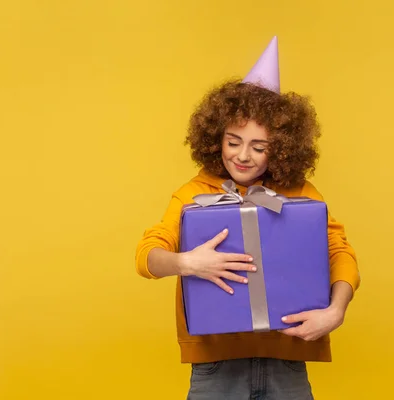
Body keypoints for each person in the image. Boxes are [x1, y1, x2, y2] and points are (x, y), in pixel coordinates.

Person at [135, 36, 360, 400]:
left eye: (259, 147)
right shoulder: (194, 192)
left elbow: (340, 253)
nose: (243, 156)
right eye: (233, 141)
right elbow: (147, 256)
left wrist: (336, 311)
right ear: (215, 139)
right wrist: (187, 262)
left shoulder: (300, 192)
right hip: (215, 365)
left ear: (283, 147)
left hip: (288, 360)